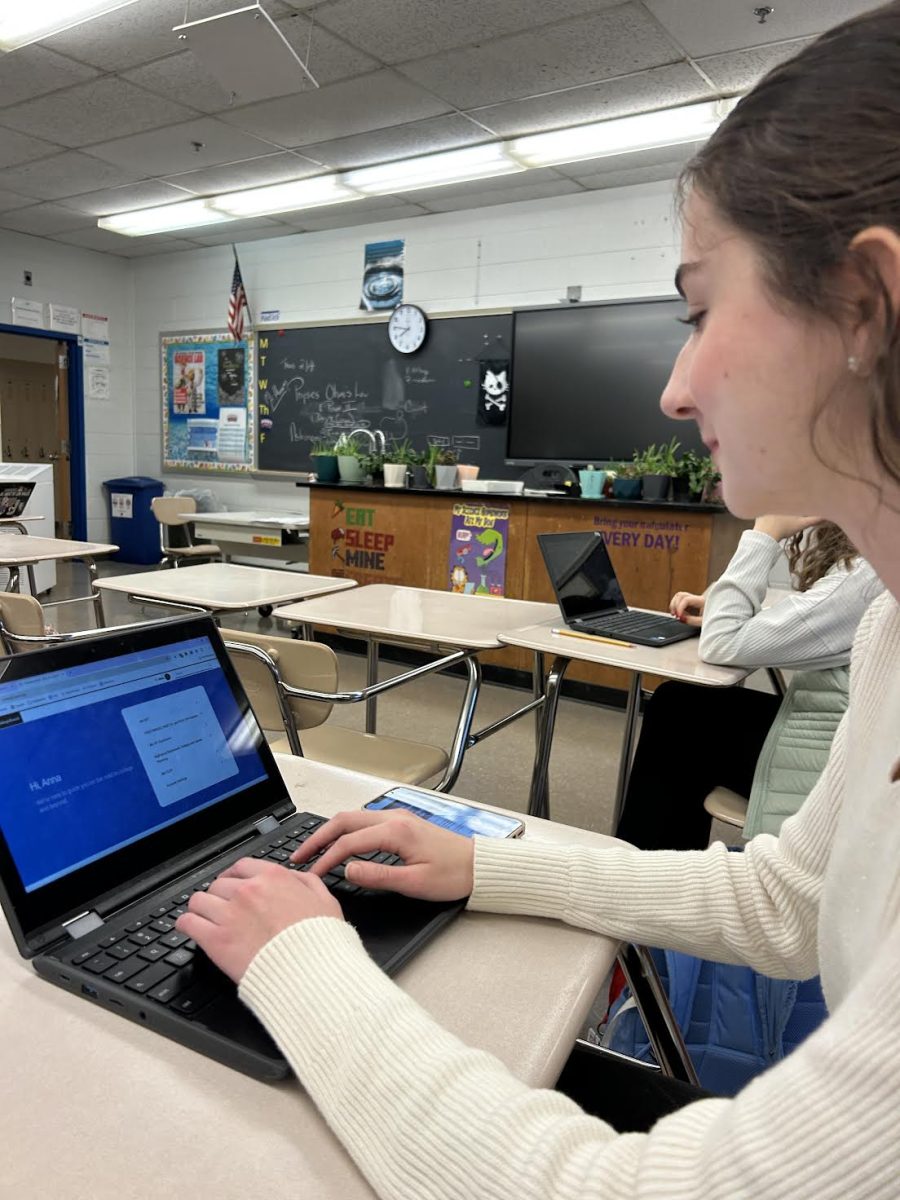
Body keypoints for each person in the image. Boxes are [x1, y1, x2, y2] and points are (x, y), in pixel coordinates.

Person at [177, 5, 900, 1195]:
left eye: (700, 310)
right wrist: (488, 861)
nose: (674, 387)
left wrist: (304, 961)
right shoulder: (887, 632)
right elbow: (786, 896)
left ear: (865, 309)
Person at [615, 514, 882, 850]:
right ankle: (661, 869)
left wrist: (766, 530)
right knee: (683, 704)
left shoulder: (868, 572)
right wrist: (724, 609)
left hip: (843, 765)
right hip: (855, 736)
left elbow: (722, 642)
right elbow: (819, 612)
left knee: (680, 714)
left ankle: (646, 877)